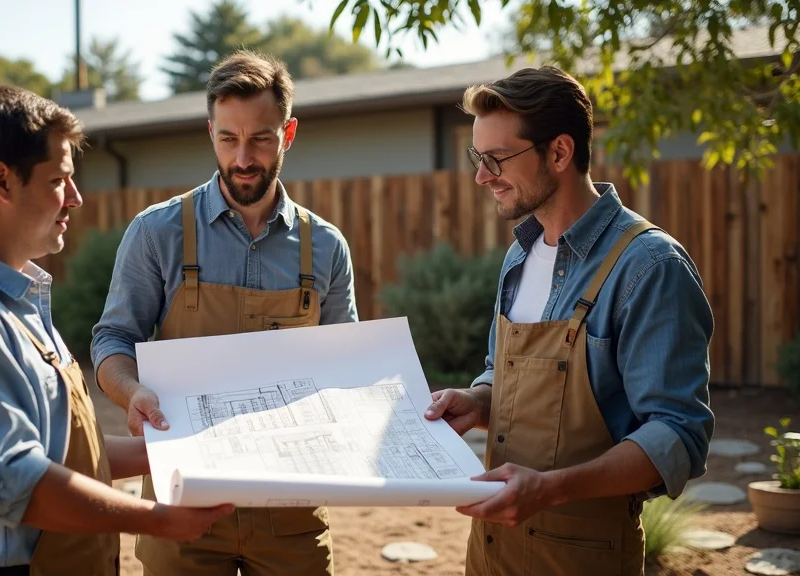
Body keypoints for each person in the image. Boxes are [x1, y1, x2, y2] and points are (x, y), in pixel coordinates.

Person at [0, 85, 234, 576]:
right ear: (2, 182)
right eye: (59, 180)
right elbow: (19, 484)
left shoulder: (14, 298)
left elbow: (62, 455)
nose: (76, 197)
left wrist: (182, 451)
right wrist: (159, 520)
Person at [424, 66, 715, 576]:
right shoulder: (519, 257)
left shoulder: (649, 266)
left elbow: (677, 435)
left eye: (495, 159)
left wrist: (552, 488)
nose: (481, 176)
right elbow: (506, 379)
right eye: (477, 157)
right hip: (490, 554)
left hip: (582, 559)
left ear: (559, 153)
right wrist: (476, 401)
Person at [91, 49, 358, 576]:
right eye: (228, 138)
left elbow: (342, 368)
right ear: (209, 131)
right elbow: (112, 339)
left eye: (260, 138)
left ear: (289, 132)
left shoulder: (326, 247)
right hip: (180, 501)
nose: (242, 159)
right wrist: (131, 390)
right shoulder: (155, 233)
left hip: (291, 509)